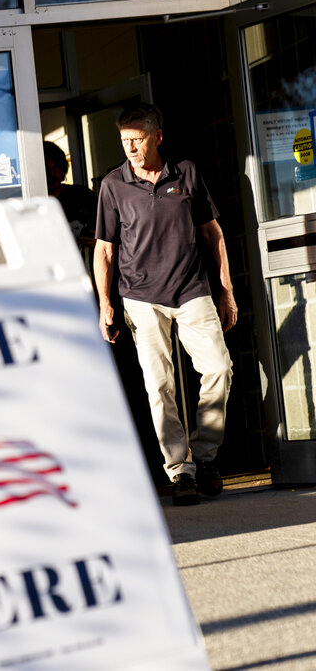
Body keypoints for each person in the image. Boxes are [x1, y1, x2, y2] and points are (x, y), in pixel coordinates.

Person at [93, 103, 236, 507]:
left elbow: (213, 234)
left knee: (218, 369)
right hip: (140, 297)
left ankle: (205, 456)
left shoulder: (186, 173)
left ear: (157, 136)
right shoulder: (113, 185)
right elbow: (104, 251)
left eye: (137, 140)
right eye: (124, 141)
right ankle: (180, 470)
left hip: (192, 289)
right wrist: (106, 303)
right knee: (159, 385)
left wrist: (225, 289)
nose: (131, 148)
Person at [43, 141, 97, 268]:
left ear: (63, 168)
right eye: (46, 169)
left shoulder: (83, 195)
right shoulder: (34, 203)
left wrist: (99, 240)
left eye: (55, 167)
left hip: (88, 268)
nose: (51, 175)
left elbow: (108, 231)